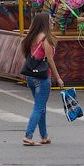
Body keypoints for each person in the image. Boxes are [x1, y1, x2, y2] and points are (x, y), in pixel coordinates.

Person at [20, 12, 64, 146]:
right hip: (43, 77)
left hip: (31, 77)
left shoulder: (32, 37)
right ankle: (28, 135)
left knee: (41, 107)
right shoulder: (45, 39)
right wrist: (58, 78)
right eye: (51, 21)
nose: (53, 23)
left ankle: (44, 135)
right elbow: (50, 59)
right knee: (39, 107)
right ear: (45, 23)